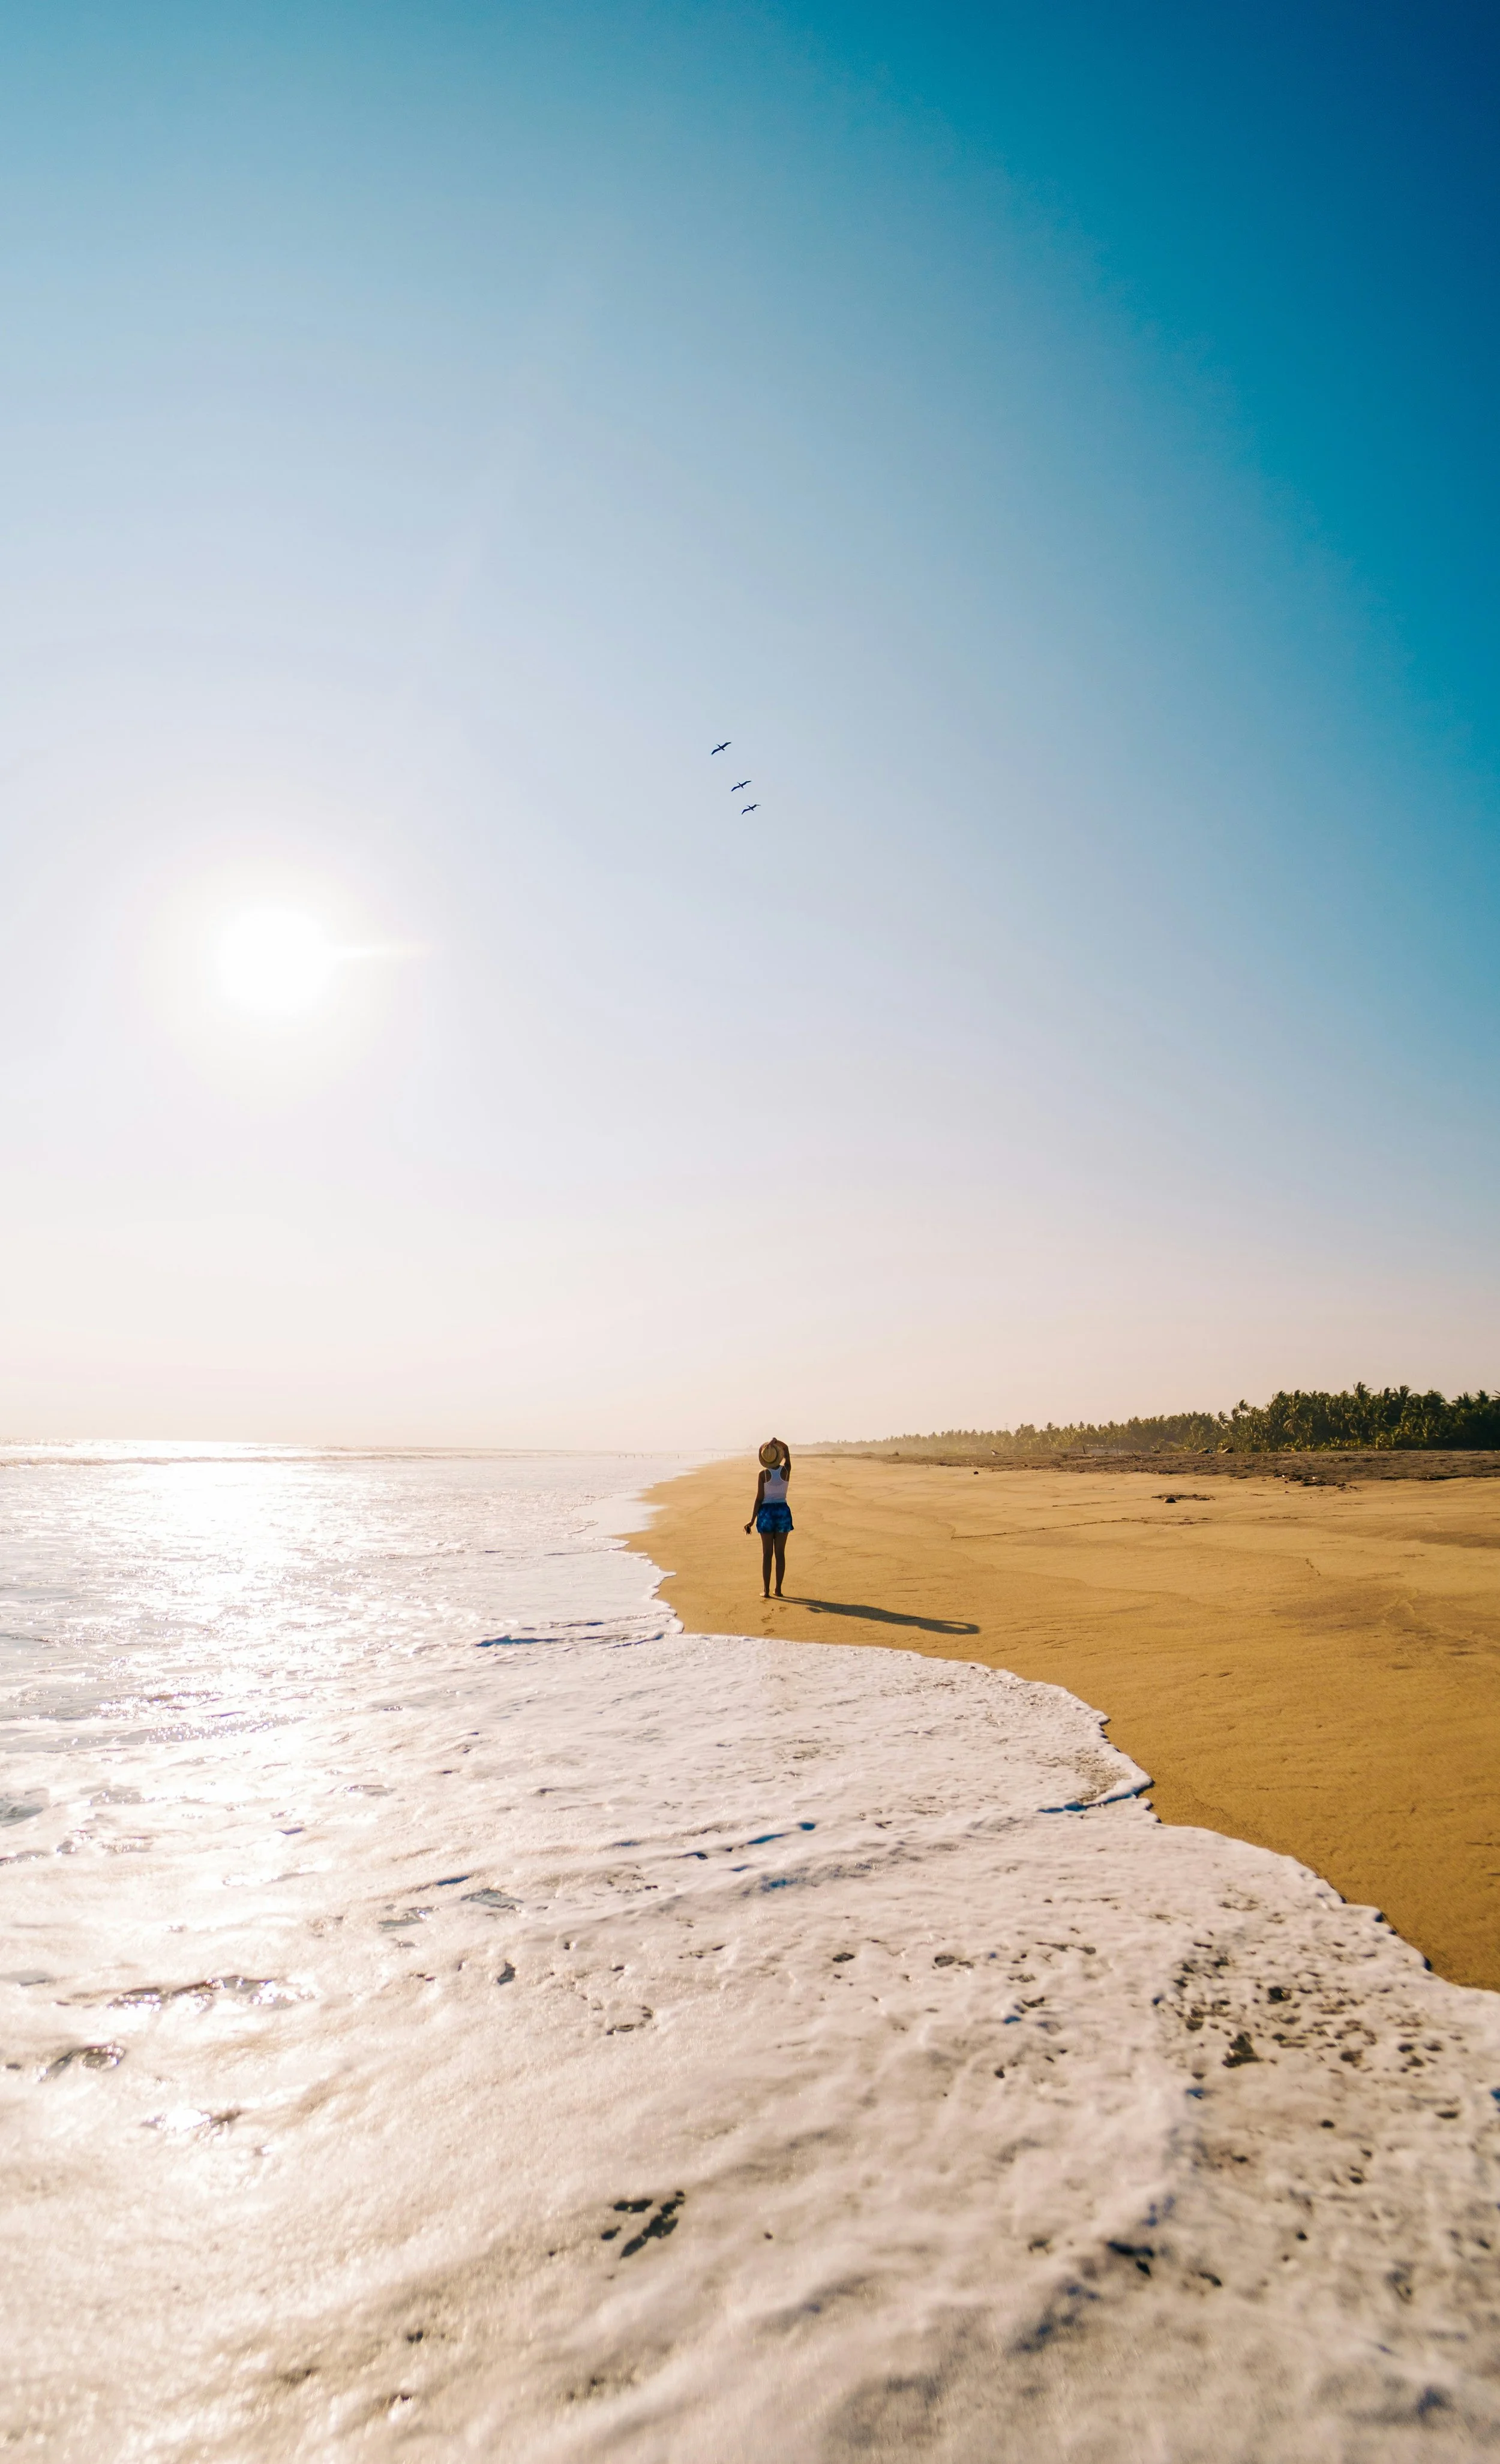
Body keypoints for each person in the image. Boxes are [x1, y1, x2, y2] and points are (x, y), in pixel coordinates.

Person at [745, 1438, 793, 1598]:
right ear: (778, 1456)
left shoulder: (763, 1475)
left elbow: (759, 1498)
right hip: (782, 1512)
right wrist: (777, 1442)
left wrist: (752, 1520)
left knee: (767, 1554)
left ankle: (766, 1591)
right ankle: (778, 1589)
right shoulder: (786, 1471)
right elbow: (787, 1451)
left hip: (766, 1513)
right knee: (780, 1553)